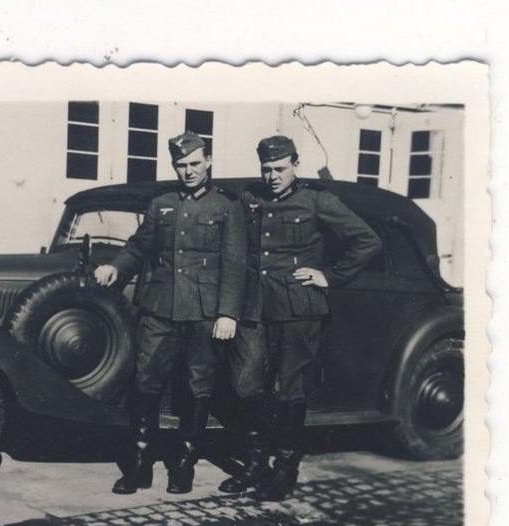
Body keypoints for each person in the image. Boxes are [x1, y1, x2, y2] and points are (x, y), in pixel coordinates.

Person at [219, 135, 383, 500]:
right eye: (267, 169)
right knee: (245, 384)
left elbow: (368, 241)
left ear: (296, 164)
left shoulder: (316, 200)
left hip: (297, 309)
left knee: (287, 390)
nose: (273, 176)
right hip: (254, 307)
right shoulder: (249, 199)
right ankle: (255, 463)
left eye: (280, 168)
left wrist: (331, 276)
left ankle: (284, 469)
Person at [94, 131, 246, 495]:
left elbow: (235, 264)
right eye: (181, 165)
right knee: (145, 382)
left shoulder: (226, 207)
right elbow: (139, 247)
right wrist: (117, 267)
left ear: (208, 161)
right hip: (159, 310)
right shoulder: (161, 204)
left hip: (205, 313)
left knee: (197, 386)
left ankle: (183, 465)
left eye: (195, 163)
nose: (189, 171)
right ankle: (139, 465)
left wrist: (228, 313)